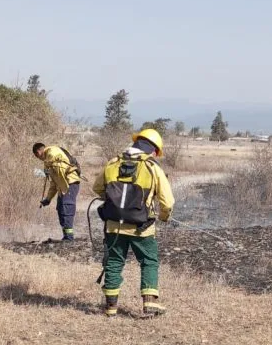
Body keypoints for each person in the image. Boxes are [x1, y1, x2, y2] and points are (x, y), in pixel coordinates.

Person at [93, 127, 174, 317]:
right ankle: (150, 303)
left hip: (113, 225)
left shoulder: (113, 163)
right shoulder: (152, 167)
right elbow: (167, 202)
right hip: (141, 228)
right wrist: (163, 216)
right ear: (153, 149)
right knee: (149, 261)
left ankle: (111, 307)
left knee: (113, 261)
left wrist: (115, 200)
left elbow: (97, 188)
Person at [33, 143, 81, 242]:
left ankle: (69, 238)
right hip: (62, 187)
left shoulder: (52, 151)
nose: (39, 159)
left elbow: (57, 162)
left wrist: (48, 169)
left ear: (38, 152)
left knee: (66, 207)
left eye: (37, 156)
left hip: (70, 183)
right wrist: (48, 199)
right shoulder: (48, 162)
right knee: (60, 209)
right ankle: (66, 235)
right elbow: (53, 184)